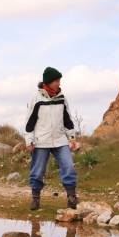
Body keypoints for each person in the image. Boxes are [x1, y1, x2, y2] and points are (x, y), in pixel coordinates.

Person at [24, 67, 80, 210]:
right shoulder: (36, 98)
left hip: (60, 140)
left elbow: (67, 119)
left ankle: (71, 197)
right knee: (38, 171)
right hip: (41, 141)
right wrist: (29, 140)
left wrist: (72, 138)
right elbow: (29, 121)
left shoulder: (62, 98)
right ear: (48, 82)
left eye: (59, 80)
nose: (58, 83)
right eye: (56, 80)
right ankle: (35, 199)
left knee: (68, 167)